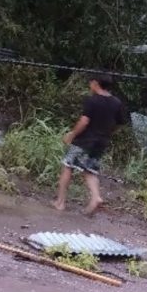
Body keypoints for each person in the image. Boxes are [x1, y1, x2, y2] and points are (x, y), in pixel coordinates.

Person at [55, 73, 125, 214]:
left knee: (68, 166)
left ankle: (60, 202)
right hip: (101, 142)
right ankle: (96, 197)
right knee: (90, 170)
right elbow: (119, 123)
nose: (89, 85)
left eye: (90, 83)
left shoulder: (92, 100)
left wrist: (72, 134)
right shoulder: (117, 102)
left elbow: (84, 121)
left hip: (85, 141)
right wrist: (106, 133)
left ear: (95, 83)